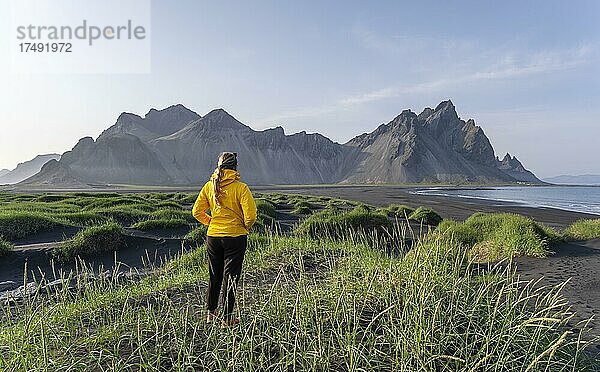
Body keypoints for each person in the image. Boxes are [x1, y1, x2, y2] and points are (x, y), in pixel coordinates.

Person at [192, 152, 257, 326]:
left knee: (215, 275)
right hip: (235, 237)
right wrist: (244, 227)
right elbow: (251, 216)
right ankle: (227, 318)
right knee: (231, 277)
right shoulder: (241, 188)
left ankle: (210, 314)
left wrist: (211, 222)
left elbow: (196, 212)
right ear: (235, 167)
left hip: (213, 236)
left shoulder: (209, 186)